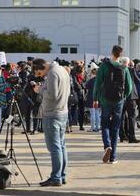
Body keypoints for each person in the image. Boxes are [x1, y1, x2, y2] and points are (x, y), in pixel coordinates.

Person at [32, 59, 70, 187]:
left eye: (39, 73)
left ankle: (56, 177)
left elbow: (52, 94)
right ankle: (62, 175)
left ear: (41, 67)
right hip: (62, 111)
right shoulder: (62, 70)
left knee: (54, 148)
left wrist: (40, 90)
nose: (40, 76)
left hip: (52, 113)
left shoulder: (53, 73)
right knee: (61, 146)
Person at [93, 45, 133, 164]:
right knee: (115, 128)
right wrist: (123, 96)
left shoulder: (104, 66)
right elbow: (129, 87)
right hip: (118, 101)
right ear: (121, 54)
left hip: (105, 100)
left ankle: (107, 145)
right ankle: (113, 156)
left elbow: (98, 83)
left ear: (112, 52)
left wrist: (96, 98)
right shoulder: (124, 68)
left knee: (104, 124)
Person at [119, 59, 140, 143]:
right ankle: (132, 137)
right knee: (131, 116)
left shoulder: (118, 69)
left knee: (122, 117)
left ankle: (122, 136)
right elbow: (137, 80)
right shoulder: (131, 70)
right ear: (128, 63)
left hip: (121, 96)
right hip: (130, 96)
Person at [71, 60, 86, 131]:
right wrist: (82, 87)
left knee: (81, 110)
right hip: (75, 94)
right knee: (73, 109)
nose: (83, 73)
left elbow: (85, 82)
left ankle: (81, 124)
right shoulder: (73, 75)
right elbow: (75, 84)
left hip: (81, 94)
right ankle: (71, 124)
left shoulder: (82, 75)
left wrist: (83, 86)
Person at [85, 64, 100, 132]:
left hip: (91, 98)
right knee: (97, 113)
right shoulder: (100, 79)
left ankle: (92, 127)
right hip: (99, 98)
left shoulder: (91, 80)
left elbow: (86, 86)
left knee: (93, 114)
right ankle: (97, 127)